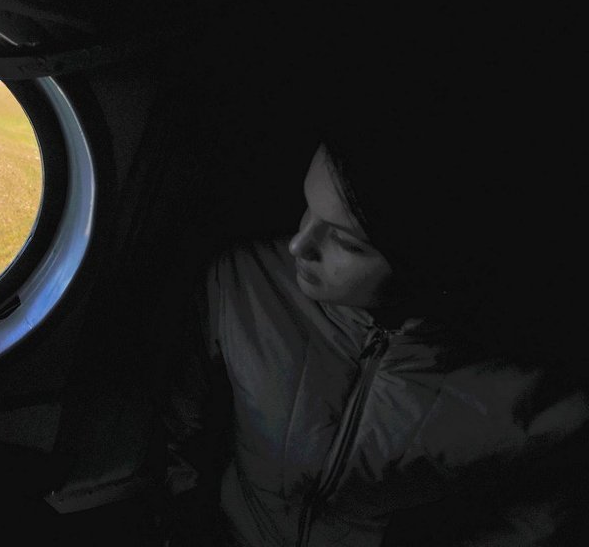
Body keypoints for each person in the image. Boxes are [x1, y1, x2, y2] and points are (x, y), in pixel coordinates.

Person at [158, 111, 589, 546]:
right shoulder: (243, 281)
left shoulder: (536, 388)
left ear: (424, 264)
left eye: (345, 242)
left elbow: (537, 517)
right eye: (307, 208)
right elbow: (177, 427)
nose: (298, 246)